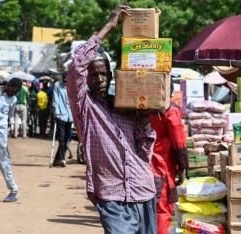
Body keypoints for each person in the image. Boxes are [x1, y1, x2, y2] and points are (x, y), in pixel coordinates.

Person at [67, 5, 157, 234]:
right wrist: (110, 25)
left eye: (103, 73)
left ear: (111, 74)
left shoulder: (125, 107)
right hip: (111, 194)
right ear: (86, 79)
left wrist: (144, 118)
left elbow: (143, 151)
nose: (99, 79)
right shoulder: (85, 108)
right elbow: (76, 67)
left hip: (142, 189)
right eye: (93, 74)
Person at [150, 83, 188, 234]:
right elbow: (179, 141)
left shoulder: (140, 107)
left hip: (141, 166)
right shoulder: (170, 110)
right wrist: (183, 166)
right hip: (161, 167)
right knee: (162, 210)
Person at [52, 73, 73, 167]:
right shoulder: (57, 85)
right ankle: (62, 159)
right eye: (64, 79)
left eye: (67, 79)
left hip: (70, 116)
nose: (66, 81)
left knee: (67, 138)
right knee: (61, 138)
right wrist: (56, 112)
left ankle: (57, 160)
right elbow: (55, 99)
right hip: (61, 115)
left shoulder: (72, 86)